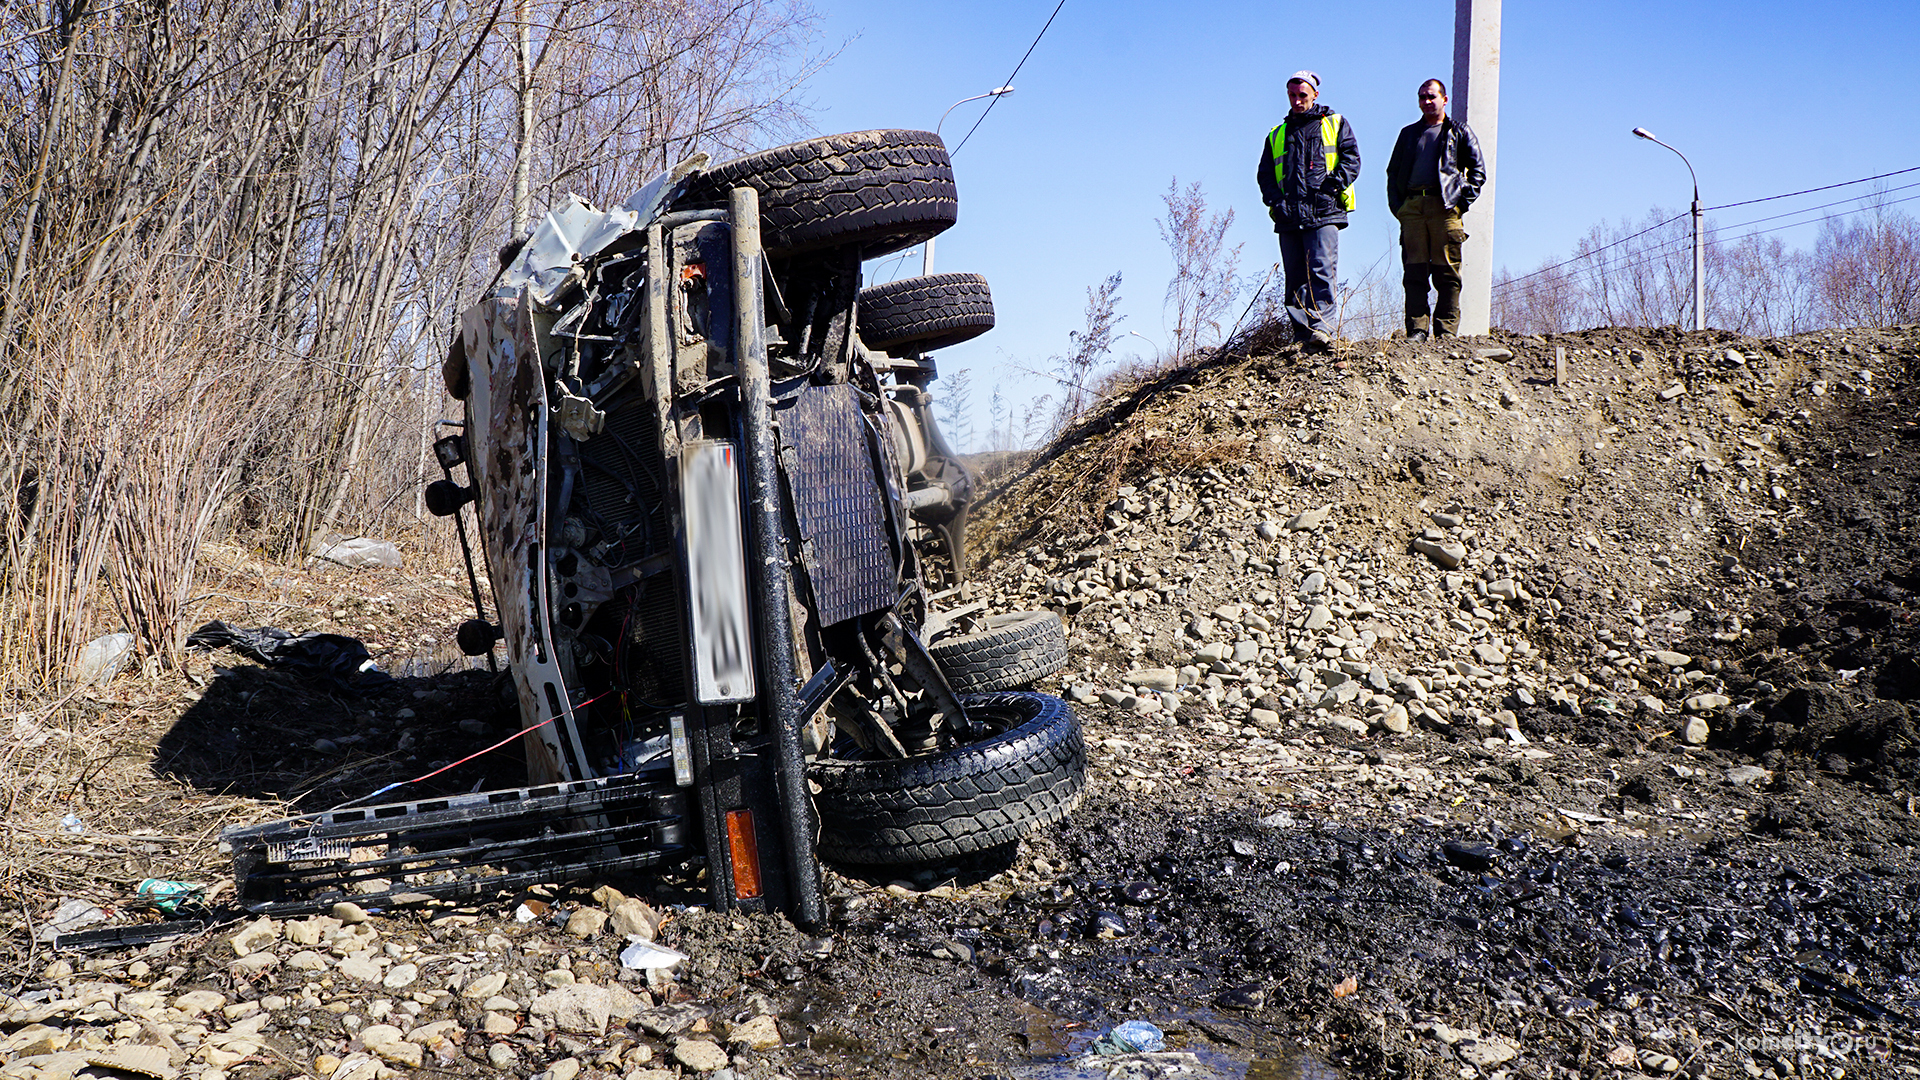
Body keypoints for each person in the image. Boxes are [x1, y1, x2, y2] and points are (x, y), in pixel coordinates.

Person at [1257, 70, 1360, 352]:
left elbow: (1351, 160)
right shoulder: (1277, 134)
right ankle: (1301, 335)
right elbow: (1265, 175)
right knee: (1294, 277)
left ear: (1315, 94)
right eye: (1292, 95)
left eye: (1303, 95)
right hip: (1289, 217)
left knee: (1321, 271)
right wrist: (1277, 203)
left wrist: (1329, 189)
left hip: (1325, 212)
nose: (1297, 100)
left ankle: (1323, 331)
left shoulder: (1335, 123)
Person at [1384, 78, 1486, 340]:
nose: (1426, 102)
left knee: (1447, 273)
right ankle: (1417, 329)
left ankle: (1446, 332)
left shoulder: (1459, 132)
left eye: (1431, 96)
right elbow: (1393, 172)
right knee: (1414, 273)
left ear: (1444, 99)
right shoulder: (1408, 134)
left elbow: (1478, 171)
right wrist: (1400, 207)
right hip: (1413, 209)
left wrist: (1461, 203)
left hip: (1445, 208)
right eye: (1422, 97)